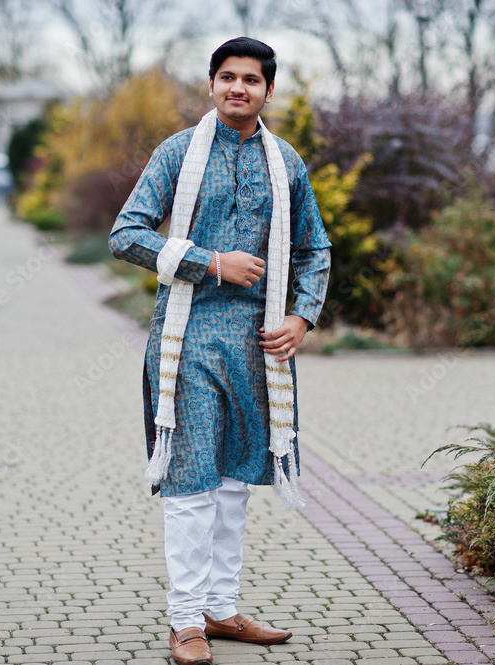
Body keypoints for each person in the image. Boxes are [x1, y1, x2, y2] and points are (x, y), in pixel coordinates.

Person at [109, 36, 331, 665]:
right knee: (191, 482)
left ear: (268, 90)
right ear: (211, 84)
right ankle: (185, 621)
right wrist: (211, 262)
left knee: (234, 483)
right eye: (228, 77)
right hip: (189, 341)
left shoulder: (285, 162)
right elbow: (125, 234)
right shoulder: (179, 153)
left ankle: (221, 608)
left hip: (259, 346)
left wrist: (302, 317)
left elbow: (314, 247)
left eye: (251, 79)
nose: (239, 88)